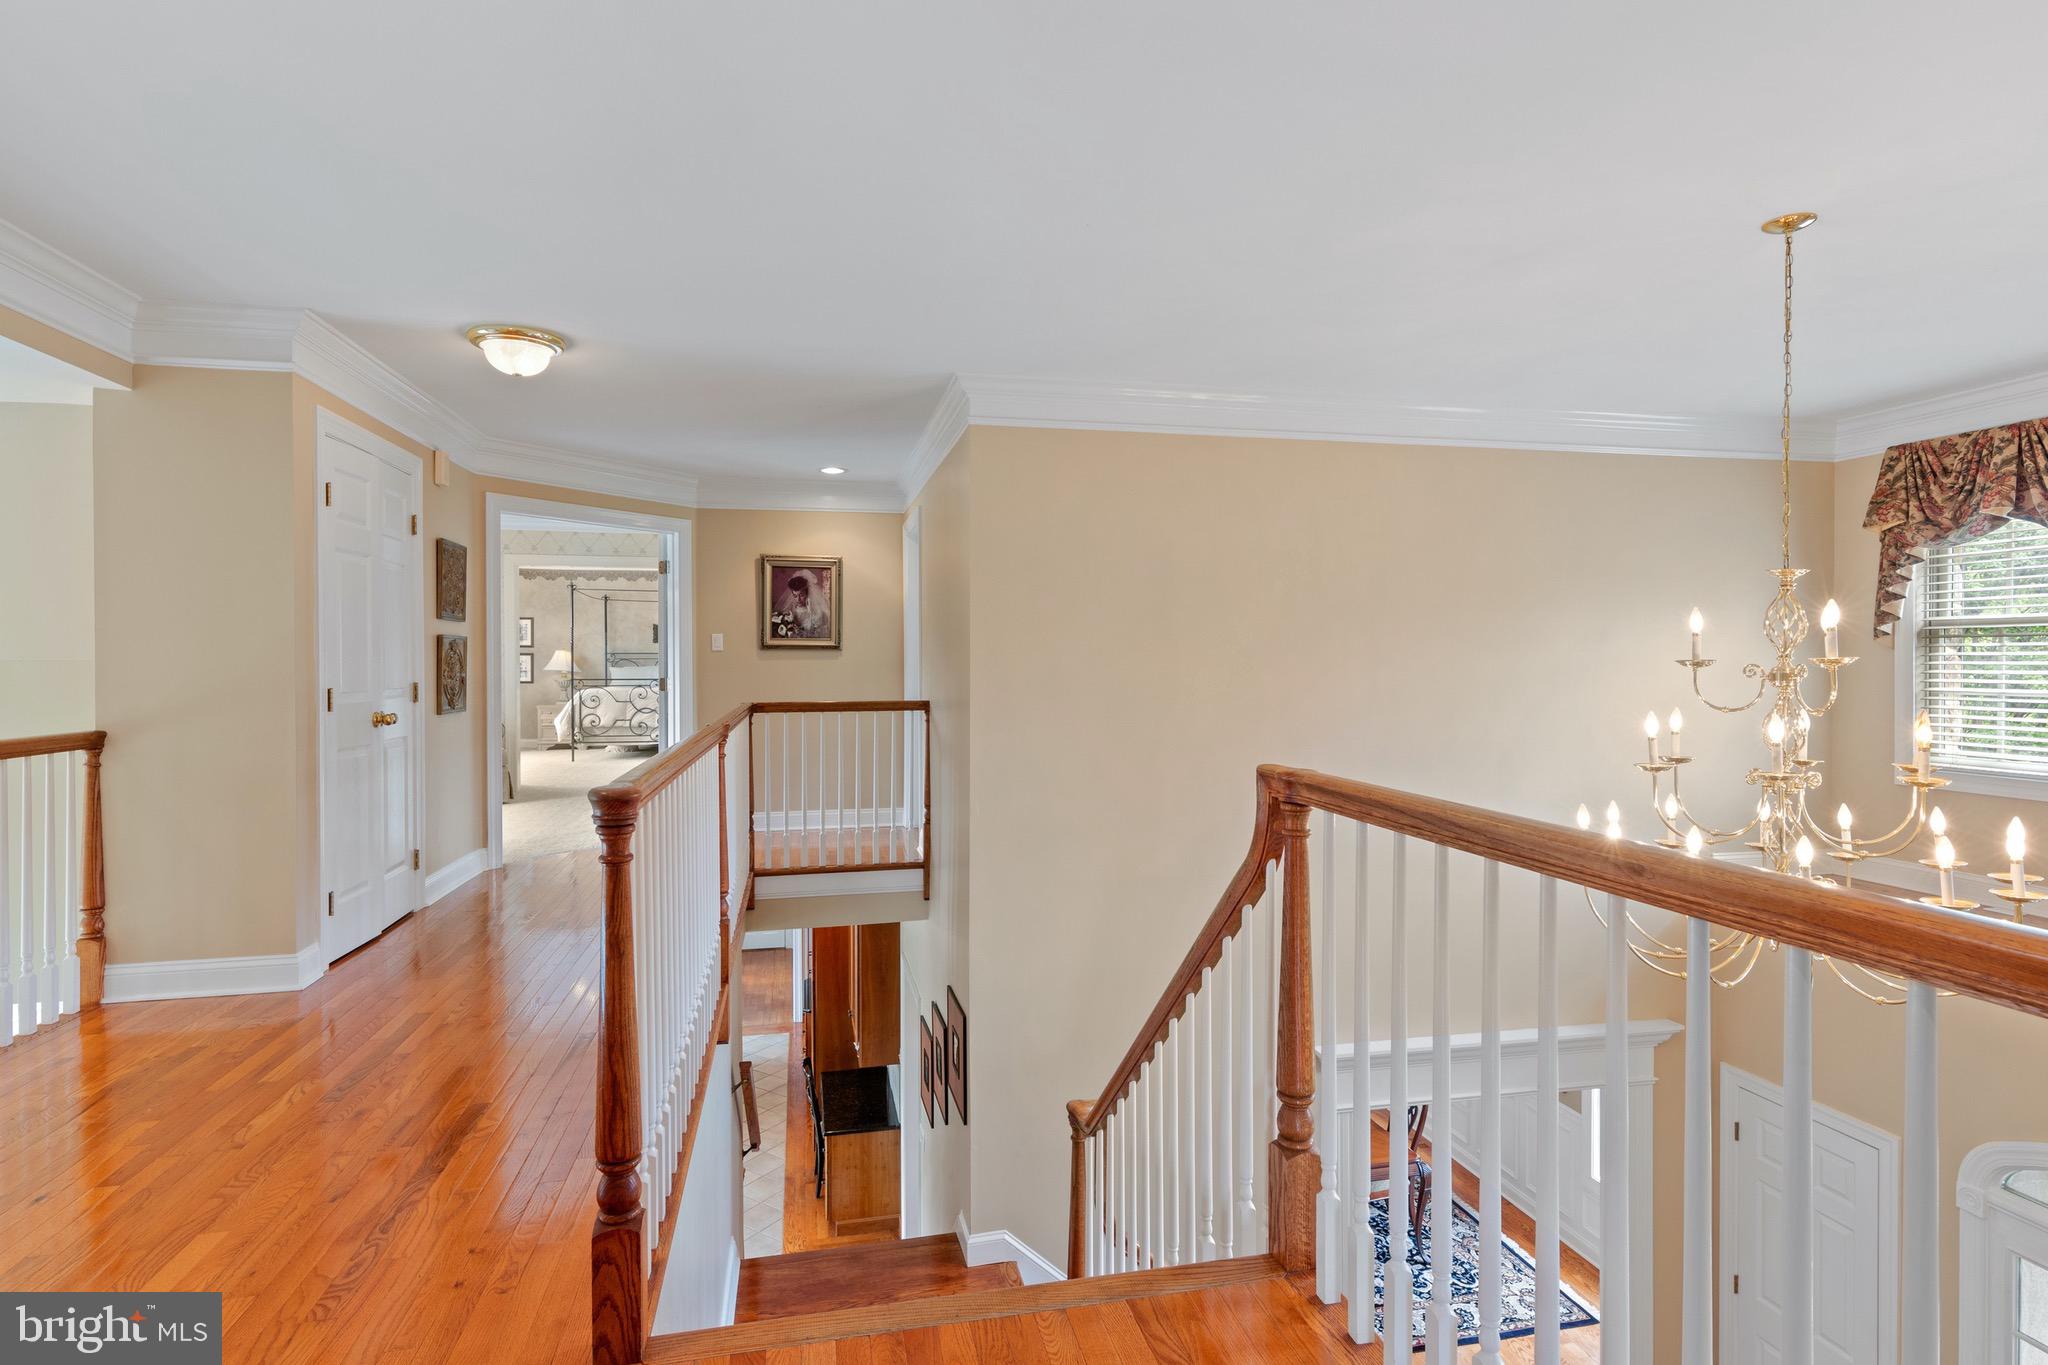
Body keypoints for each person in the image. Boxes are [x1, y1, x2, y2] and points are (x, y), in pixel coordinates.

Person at [774, 570, 831, 637]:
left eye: (801, 595)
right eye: (795, 596)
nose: (798, 599)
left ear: (808, 594)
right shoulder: (789, 611)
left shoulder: (816, 613)